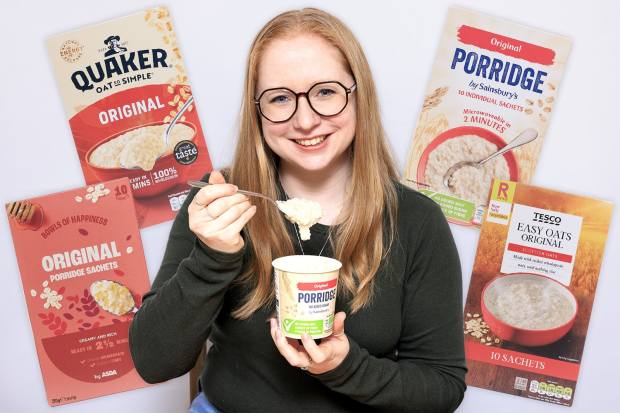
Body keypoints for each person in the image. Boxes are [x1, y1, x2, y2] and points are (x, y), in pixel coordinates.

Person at [129, 7, 466, 412]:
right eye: (280, 98)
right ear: (258, 111)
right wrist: (211, 256)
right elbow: (154, 363)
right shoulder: (220, 205)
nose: (305, 120)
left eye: (325, 92)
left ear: (359, 95)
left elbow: (442, 388)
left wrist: (345, 367)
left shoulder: (416, 222)